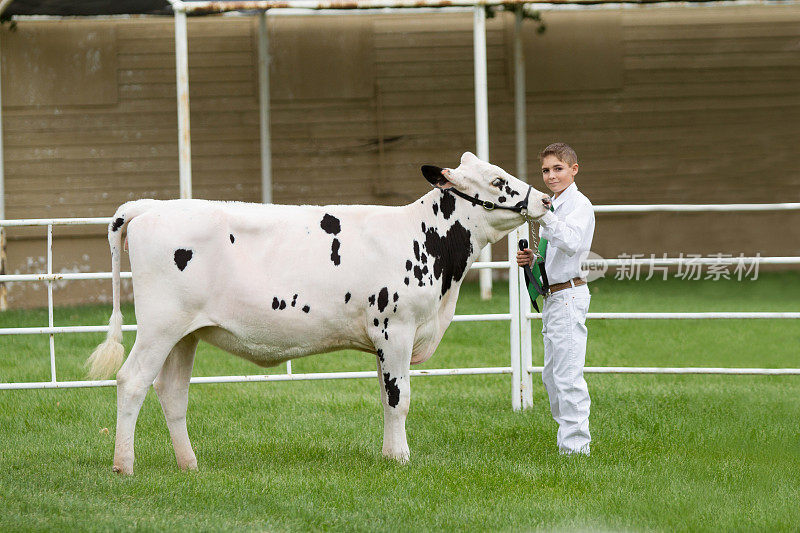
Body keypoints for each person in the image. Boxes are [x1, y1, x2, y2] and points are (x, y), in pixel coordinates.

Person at [517, 142, 595, 456]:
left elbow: (573, 242)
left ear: (574, 170)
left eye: (558, 169)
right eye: (546, 170)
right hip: (554, 297)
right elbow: (557, 252)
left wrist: (545, 217)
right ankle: (567, 440)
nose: (551, 176)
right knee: (551, 377)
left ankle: (576, 449)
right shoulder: (558, 205)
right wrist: (534, 258)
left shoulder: (579, 204)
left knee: (567, 376)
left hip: (569, 296)